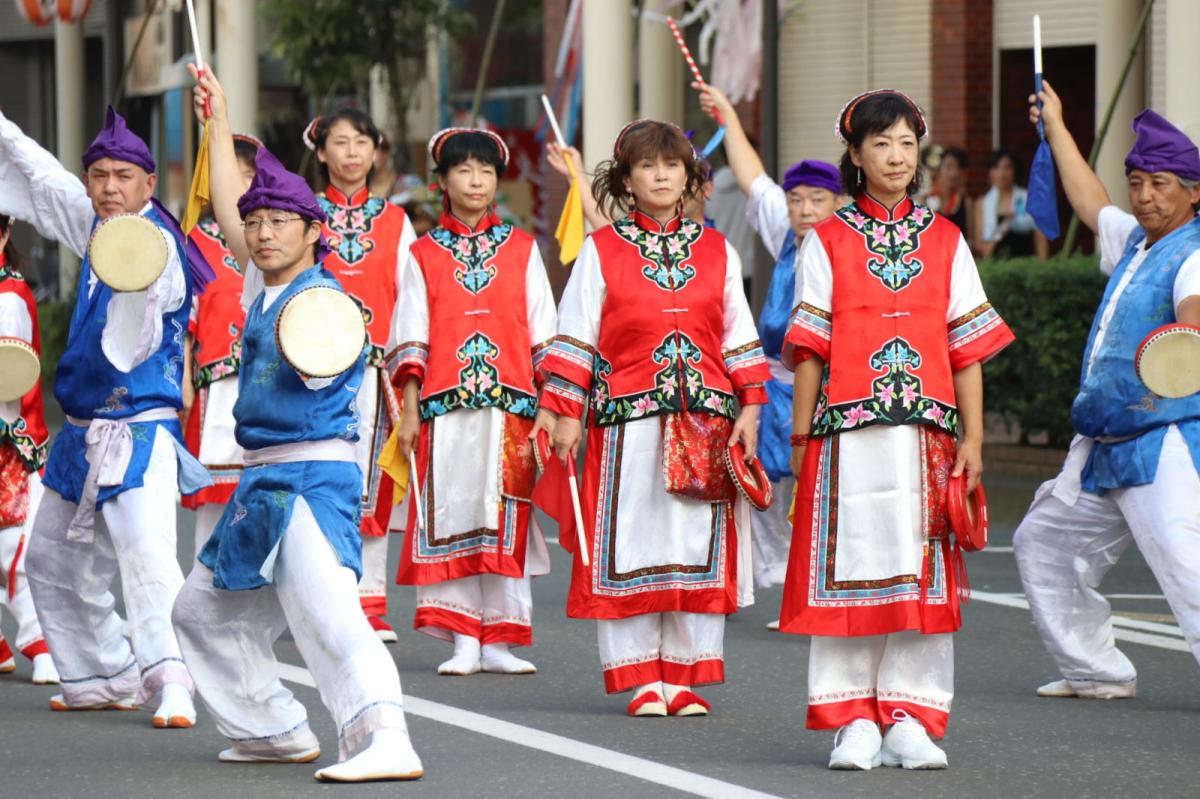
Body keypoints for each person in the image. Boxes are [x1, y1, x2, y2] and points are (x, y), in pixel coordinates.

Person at [171, 67, 423, 782]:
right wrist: (217, 121)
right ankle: (273, 725)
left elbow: (326, 363)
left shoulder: (324, 304)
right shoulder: (264, 282)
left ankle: (388, 736)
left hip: (313, 476)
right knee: (198, 611)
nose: (260, 230)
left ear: (315, 232)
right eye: (256, 222)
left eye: (278, 220)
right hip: (263, 478)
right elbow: (226, 204)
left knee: (332, 616)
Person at [780, 90, 1014, 770]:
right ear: (854, 156)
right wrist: (800, 444)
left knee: (921, 572)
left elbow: (965, 346)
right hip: (846, 439)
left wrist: (973, 439)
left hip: (929, 439)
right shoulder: (824, 241)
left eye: (908, 143)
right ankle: (851, 715)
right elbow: (810, 348)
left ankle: (911, 713)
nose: (897, 156)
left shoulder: (947, 239)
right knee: (850, 572)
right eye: (881, 143)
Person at [538, 119, 769, 717]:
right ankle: (641, 675)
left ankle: (685, 675)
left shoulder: (720, 250)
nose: (661, 175)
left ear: (691, 175)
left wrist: (751, 408)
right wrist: (564, 411)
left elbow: (739, 337)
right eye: (647, 166)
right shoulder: (601, 250)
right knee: (632, 543)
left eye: (672, 165)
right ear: (628, 180)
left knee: (694, 542)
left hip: (707, 423)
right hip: (626, 428)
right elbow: (575, 335)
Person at [0, 105, 207, 727]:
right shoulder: (95, 222)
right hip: (82, 432)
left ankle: (174, 681)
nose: (109, 186)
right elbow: (38, 172)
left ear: (149, 183)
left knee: (146, 557)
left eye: (122, 175)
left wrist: (135, 275)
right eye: (99, 175)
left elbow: (157, 301)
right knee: (50, 561)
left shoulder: (160, 245)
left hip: (140, 429)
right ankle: (102, 673)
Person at [1012, 83, 1200, 698]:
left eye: (1160, 184)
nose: (1144, 196)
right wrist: (1058, 126)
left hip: (1162, 441)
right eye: (1137, 181)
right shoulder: (1136, 242)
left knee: (1187, 568)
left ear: (1193, 192)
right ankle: (1096, 671)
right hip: (1102, 443)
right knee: (1043, 545)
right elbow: (1091, 202)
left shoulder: (1194, 254)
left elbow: (1192, 322)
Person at [392, 127, 556, 676]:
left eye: (486, 171)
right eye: (464, 170)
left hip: (513, 406)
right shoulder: (421, 254)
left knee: (504, 513)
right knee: (454, 511)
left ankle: (500, 639)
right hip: (443, 404)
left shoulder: (524, 249)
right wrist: (410, 410)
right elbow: (411, 334)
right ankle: (463, 635)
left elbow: (544, 335)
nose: (477, 180)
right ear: (442, 182)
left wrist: (552, 407)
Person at [698, 82, 843, 605]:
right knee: (763, 483)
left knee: (814, 487)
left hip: (820, 384)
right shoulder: (787, 231)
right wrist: (729, 117)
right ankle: (777, 578)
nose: (804, 209)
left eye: (817, 200)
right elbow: (751, 177)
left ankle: (809, 584)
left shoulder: (846, 243)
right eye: (797, 200)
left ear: (840, 202)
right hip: (771, 379)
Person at [308, 109, 418, 642]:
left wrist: (408, 376)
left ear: (376, 153)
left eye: (362, 142)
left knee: (374, 484)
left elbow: (411, 301)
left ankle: (369, 601)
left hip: (374, 373)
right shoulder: (302, 215)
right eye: (339, 142)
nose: (352, 152)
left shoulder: (396, 221)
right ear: (321, 152)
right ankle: (324, 596)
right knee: (320, 481)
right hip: (312, 372)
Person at [181, 134, 259, 558]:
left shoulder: (275, 234)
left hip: (267, 378)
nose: (240, 185)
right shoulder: (196, 240)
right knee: (215, 487)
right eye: (232, 176)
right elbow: (186, 315)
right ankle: (206, 575)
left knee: (263, 483)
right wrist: (185, 382)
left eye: (249, 176)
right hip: (217, 379)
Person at [0, 214, 58, 685]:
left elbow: (12, 373)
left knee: (15, 545)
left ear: (3, 235)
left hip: (8, 440)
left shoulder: (10, 294)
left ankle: (42, 642)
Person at [971, 148, 1049, 260]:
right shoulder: (982, 203)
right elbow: (979, 242)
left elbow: (1040, 237)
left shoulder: (1028, 198)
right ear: (990, 173)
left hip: (1025, 260)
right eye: (996, 167)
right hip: (994, 262)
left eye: (1007, 167)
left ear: (1014, 171)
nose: (1002, 173)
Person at [923, 146, 970, 235]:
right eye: (949, 167)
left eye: (958, 168)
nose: (954, 173)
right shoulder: (923, 201)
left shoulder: (966, 202)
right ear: (938, 170)